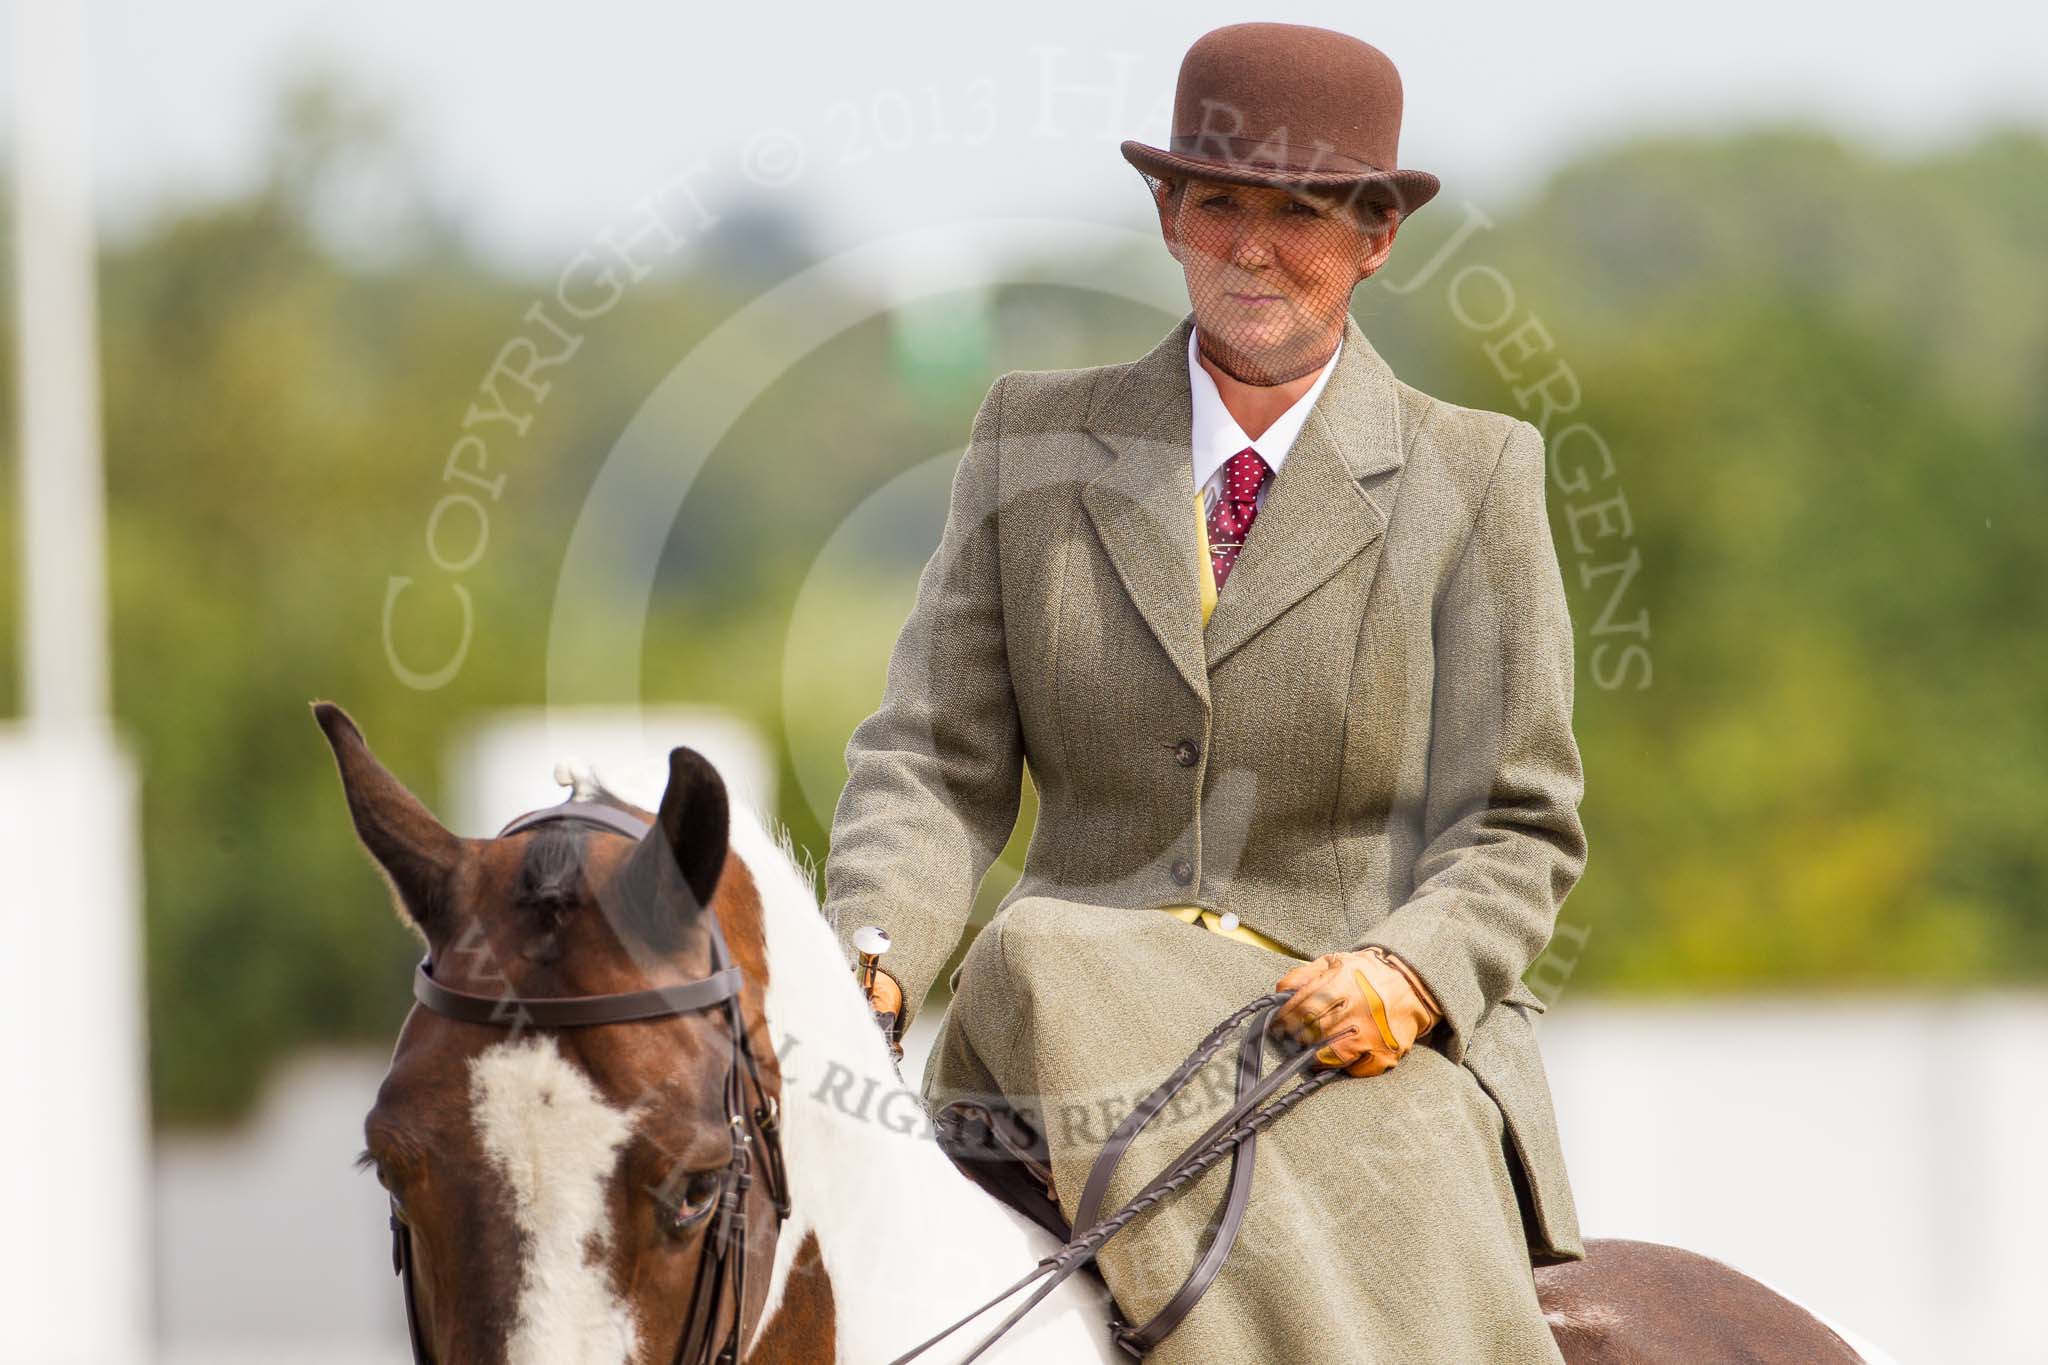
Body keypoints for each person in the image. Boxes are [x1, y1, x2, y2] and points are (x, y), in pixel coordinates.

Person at [823, 22, 1585, 1363]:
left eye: (1299, 214)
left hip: (1346, 1041)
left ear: (1374, 237)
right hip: (1064, 1054)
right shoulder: (1032, 438)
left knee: (1035, 943)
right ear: (1167, 213)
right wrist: (866, 971)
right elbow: (934, 763)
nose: (1250, 247)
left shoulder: (1478, 474)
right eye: (1218, 202)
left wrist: (1409, 973)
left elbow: (1517, 821)